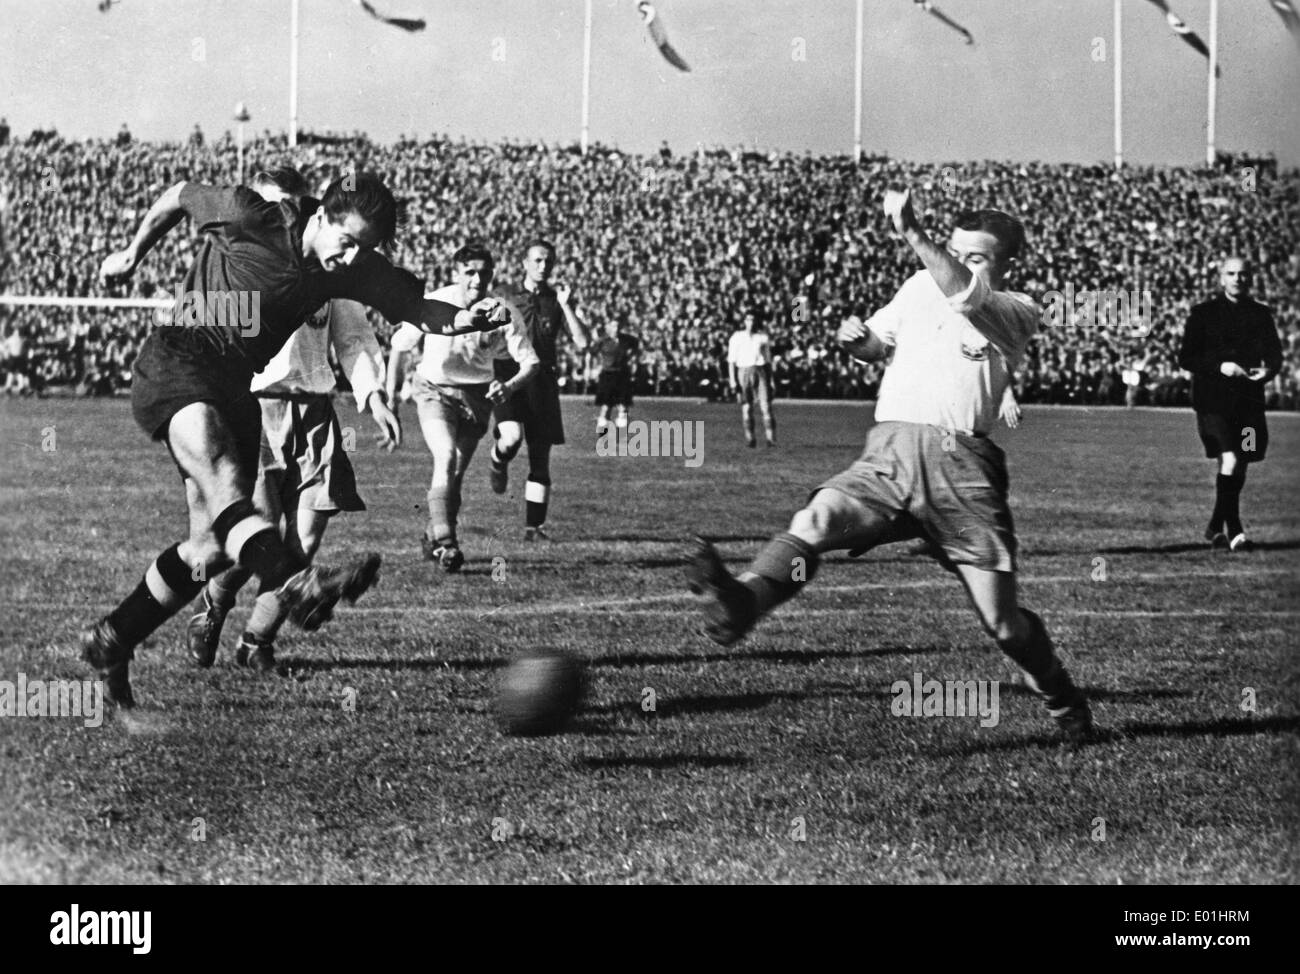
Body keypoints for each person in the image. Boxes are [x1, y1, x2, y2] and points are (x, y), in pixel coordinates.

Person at [84, 170, 508, 709]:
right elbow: (179, 195)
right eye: (348, 242)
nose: (353, 258)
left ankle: (113, 637)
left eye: (366, 249)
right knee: (224, 490)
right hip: (178, 365)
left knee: (212, 550)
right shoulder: (250, 215)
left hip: (236, 390)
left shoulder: (347, 267)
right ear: (323, 216)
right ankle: (299, 584)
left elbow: (419, 310)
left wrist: (467, 317)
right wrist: (131, 253)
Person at [687, 187, 1094, 743]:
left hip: (961, 470)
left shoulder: (1017, 310)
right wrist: (854, 339)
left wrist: (915, 234)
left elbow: (967, 296)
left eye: (975, 256)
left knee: (1003, 623)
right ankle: (742, 603)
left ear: (1006, 265)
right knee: (816, 521)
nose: (956, 260)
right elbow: (878, 344)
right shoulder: (918, 285)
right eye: (955, 249)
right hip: (889, 451)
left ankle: (1059, 695)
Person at [186, 167, 403, 673]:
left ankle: (256, 641)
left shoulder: (333, 266)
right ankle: (214, 604)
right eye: (269, 206)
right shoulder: (243, 264)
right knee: (255, 536)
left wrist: (373, 397)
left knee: (303, 541)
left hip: (314, 409)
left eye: (289, 205)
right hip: (255, 405)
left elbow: (352, 336)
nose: (280, 216)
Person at [387, 243, 539, 571]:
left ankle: (434, 536)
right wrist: (390, 396)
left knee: (455, 475)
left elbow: (531, 362)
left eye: (483, 273)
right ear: (456, 273)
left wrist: (508, 386)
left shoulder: (504, 312)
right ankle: (447, 542)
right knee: (446, 457)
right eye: (469, 272)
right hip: (434, 390)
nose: (476, 279)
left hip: (476, 398)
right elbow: (400, 345)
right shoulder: (435, 303)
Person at [1177, 257, 1282, 550]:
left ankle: (1214, 526)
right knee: (1231, 458)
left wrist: (1268, 371)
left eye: (1243, 274)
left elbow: (1275, 354)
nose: (1237, 279)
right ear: (1221, 278)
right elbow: (1187, 358)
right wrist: (1220, 366)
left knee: (1243, 459)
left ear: (1251, 278)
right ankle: (1235, 531)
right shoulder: (1203, 314)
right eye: (1231, 274)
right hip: (1214, 402)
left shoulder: (1261, 314)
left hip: (1249, 402)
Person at [486, 240, 588, 540]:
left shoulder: (557, 299)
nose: (544, 266)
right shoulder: (504, 294)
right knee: (512, 438)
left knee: (540, 458)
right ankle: (497, 459)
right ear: (525, 263)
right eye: (538, 260)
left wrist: (567, 304)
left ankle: (534, 528)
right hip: (508, 374)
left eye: (548, 261)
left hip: (542, 380)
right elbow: (485, 334)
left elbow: (582, 342)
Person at [727, 310, 776, 447]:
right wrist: (732, 381)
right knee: (747, 407)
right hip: (744, 372)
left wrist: (771, 381)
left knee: (766, 406)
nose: (751, 322)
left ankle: (770, 439)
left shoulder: (762, 337)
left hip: (760, 371)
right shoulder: (737, 337)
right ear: (744, 321)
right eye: (748, 319)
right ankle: (750, 439)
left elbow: (768, 361)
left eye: (753, 319)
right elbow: (731, 361)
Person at [589, 316, 639, 435]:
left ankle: (621, 436)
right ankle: (603, 435)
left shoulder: (628, 340)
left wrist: (632, 359)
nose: (615, 328)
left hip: (622, 374)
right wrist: (591, 368)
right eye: (613, 326)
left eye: (617, 326)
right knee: (606, 407)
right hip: (607, 375)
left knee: (623, 407)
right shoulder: (602, 341)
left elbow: (636, 348)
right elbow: (590, 354)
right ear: (609, 327)